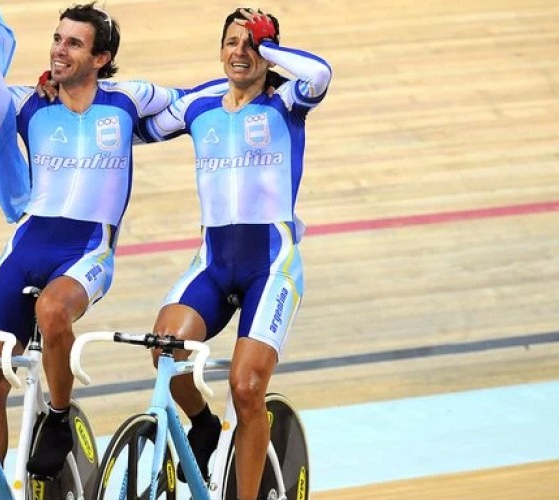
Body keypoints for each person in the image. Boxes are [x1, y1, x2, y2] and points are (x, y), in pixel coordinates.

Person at [0, 1, 187, 486]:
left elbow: (195, 103)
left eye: (74, 44)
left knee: (51, 311)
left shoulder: (128, 100)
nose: (59, 50)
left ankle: (60, 417)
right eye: (57, 39)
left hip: (87, 251)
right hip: (26, 246)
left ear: (101, 59)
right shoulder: (28, 103)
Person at [134, 8, 332, 500]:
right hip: (214, 263)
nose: (240, 52)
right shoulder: (199, 104)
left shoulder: (286, 101)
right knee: (164, 349)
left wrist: (271, 48)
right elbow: (134, 128)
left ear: (268, 52)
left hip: (272, 266)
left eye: (252, 44)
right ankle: (202, 423)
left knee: (246, 389)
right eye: (232, 42)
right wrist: (70, 90)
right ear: (219, 49)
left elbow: (320, 73)